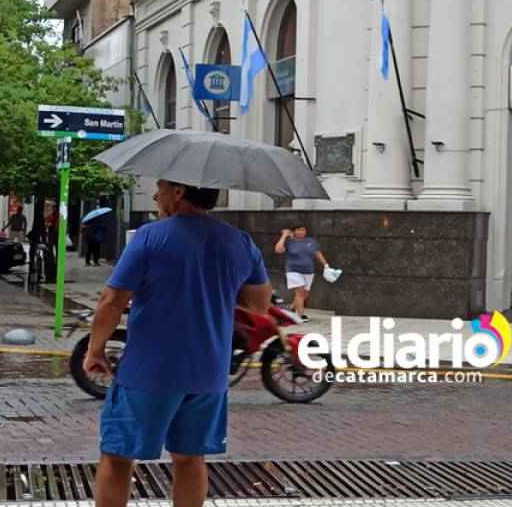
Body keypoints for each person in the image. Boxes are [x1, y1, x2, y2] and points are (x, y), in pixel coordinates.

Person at [83, 180, 271, 507]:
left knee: (117, 456)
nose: (156, 196)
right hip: (208, 375)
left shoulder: (150, 236)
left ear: (180, 191)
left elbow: (111, 302)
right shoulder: (240, 241)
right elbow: (259, 305)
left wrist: (94, 350)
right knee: (190, 457)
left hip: (149, 372)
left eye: (161, 188)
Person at [274, 225, 329, 322]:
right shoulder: (289, 241)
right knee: (300, 291)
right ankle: (302, 315)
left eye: (303, 230)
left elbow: (318, 254)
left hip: (309, 271)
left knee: (305, 294)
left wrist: (326, 265)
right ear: (294, 232)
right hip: (293, 270)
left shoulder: (311, 241)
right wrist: (284, 236)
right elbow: (278, 250)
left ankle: (291, 308)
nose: (301, 232)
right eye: (298, 230)